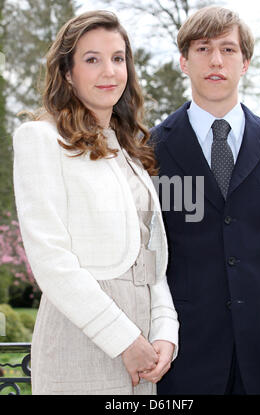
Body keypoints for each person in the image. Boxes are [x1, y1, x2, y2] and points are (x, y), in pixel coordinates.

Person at [13, 10, 179, 395]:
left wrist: (165, 332)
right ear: (68, 73)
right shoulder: (40, 138)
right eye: (92, 59)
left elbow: (152, 257)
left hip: (145, 353)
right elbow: (51, 260)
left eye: (118, 58)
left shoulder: (131, 153)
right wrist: (124, 340)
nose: (109, 71)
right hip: (81, 339)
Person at [152, 6, 260, 395]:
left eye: (228, 49)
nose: (216, 60)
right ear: (184, 61)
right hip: (183, 354)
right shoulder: (148, 150)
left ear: (245, 62)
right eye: (202, 49)